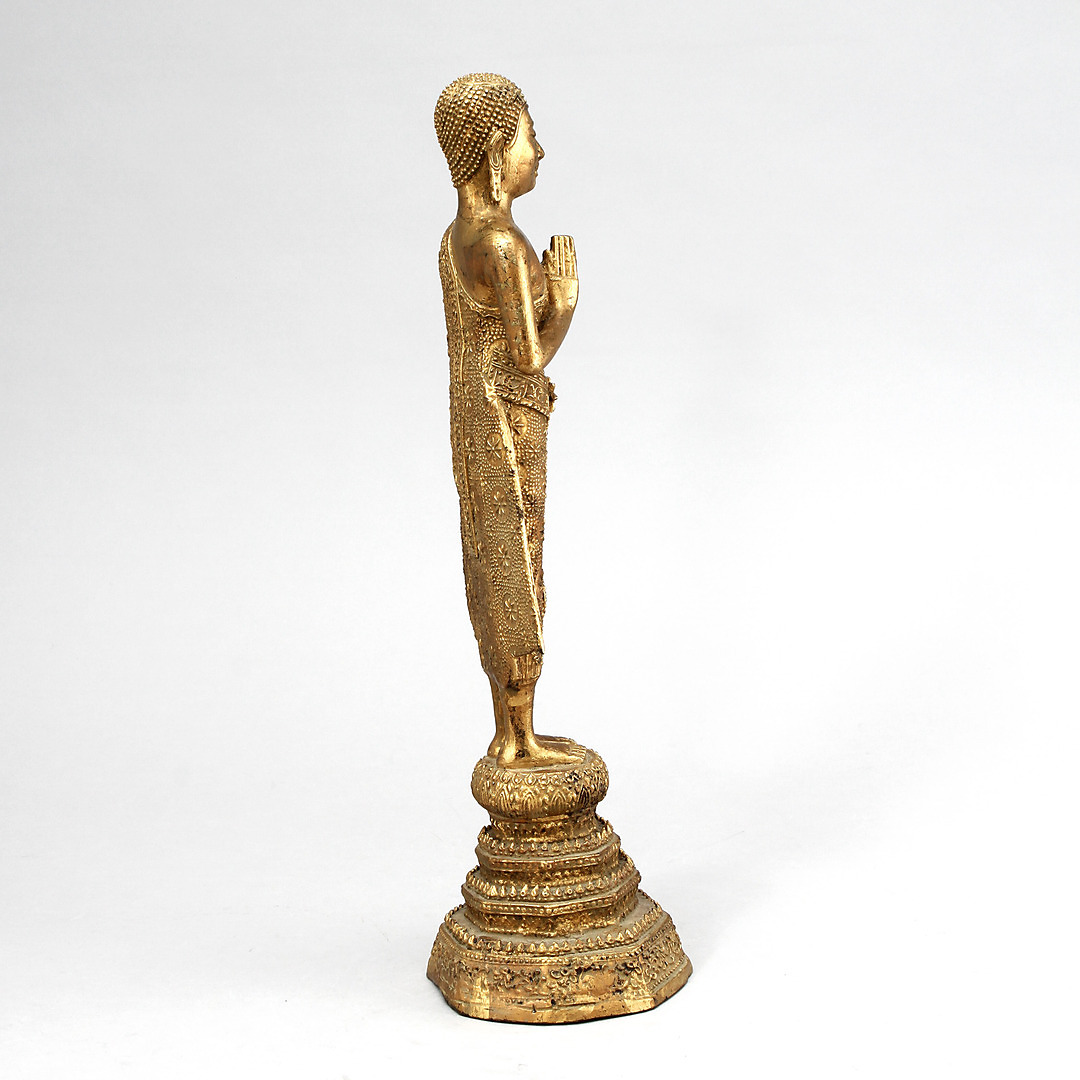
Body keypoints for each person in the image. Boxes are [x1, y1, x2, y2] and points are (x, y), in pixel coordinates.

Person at [435, 73, 579, 768]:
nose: (539, 151)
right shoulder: (501, 243)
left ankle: (513, 731)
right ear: (497, 148)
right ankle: (517, 734)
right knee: (517, 561)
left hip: (472, 411)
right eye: (529, 136)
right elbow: (528, 356)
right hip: (508, 417)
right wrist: (567, 303)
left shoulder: (454, 237)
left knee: (492, 559)